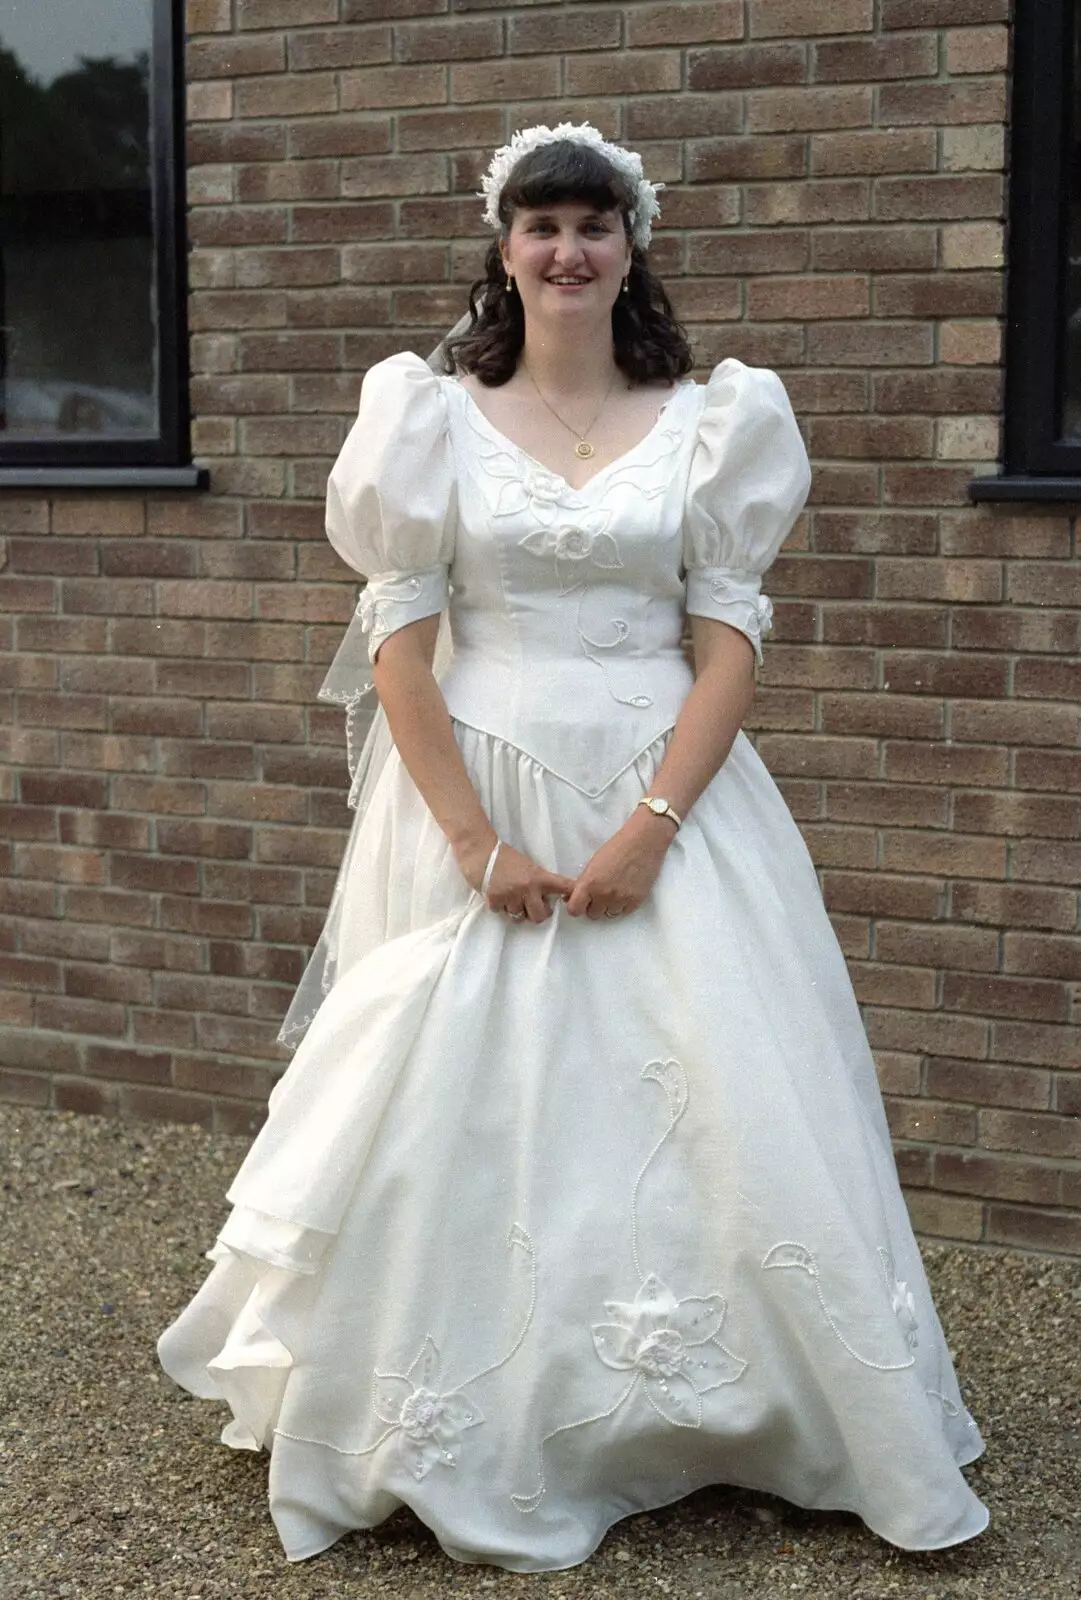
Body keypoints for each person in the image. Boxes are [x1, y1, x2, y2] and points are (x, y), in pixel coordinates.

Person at [158, 123, 988, 1571]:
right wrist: (477, 845)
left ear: (631, 247)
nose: (567, 252)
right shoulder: (427, 420)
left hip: (673, 793)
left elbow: (728, 648)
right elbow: (402, 653)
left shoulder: (715, 420)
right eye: (540, 226)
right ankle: (466, 1416)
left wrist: (654, 830)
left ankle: (726, 1408)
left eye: (594, 227)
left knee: (706, 1089)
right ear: (503, 248)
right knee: (463, 1104)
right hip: (476, 791)